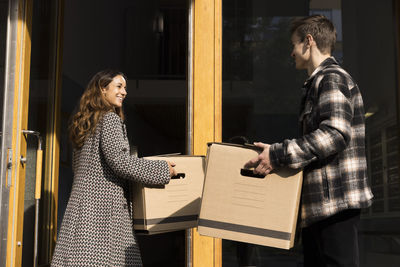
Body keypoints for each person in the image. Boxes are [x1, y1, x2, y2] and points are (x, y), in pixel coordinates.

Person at [245, 15, 373, 267]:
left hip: (334, 207)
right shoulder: (319, 82)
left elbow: (334, 133)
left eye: (294, 44)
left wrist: (278, 154)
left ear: (309, 41)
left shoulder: (331, 78)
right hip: (323, 208)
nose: (292, 52)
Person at [51, 70, 177, 267]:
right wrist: (161, 170)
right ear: (102, 89)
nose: (124, 92)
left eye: (125, 87)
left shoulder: (85, 122)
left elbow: (82, 169)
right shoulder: (109, 119)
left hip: (83, 211)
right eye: (119, 86)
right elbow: (120, 162)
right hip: (103, 214)